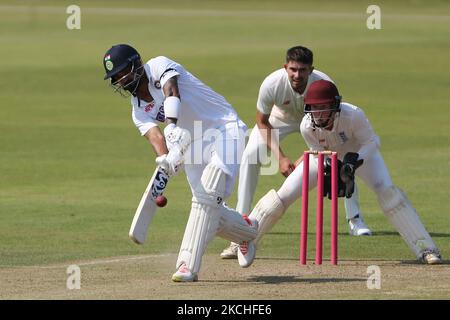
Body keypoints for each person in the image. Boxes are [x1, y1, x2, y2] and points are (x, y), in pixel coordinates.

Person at [241, 79, 442, 266]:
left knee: (387, 192)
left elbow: (372, 142)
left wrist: (354, 162)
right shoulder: (306, 126)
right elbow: (319, 153)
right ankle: (244, 239)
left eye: (323, 108)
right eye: (315, 109)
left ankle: (426, 248)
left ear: (335, 106)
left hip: (361, 155)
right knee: (284, 194)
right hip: (325, 157)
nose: (318, 114)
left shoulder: (354, 115)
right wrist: (333, 170)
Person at [102, 44, 259, 282]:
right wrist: (167, 160)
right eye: (116, 77)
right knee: (209, 205)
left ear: (136, 64)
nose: (121, 80)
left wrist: (172, 125)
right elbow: (157, 139)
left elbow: (171, 91)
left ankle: (187, 265)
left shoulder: (159, 65)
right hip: (191, 145)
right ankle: (246, 230)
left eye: (123, 72)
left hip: (223, 127)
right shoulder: (138, 111)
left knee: (209, 193)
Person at [221, 46, 371, 259]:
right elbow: (262, 122)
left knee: (344, 157)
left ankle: (355, 220)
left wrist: (306, 158)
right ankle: (241, 223)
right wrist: (281, 158)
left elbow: (332, 130)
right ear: (285, 67)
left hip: (317, 121)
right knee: (251, 153)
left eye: (302, 70)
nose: (297, 75)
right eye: (293, 69)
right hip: (279, 119)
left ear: (311, 70)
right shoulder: (272, 83)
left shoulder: (324, 85)